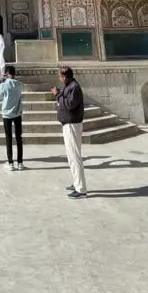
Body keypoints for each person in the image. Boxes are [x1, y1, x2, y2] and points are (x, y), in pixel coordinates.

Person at [52, 66, 87, 198]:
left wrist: (57, 95)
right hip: (68, 124)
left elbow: (70, 104)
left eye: (60, 76)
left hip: (73, 125)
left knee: (75, 157)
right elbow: (66, 98)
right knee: (71, 157)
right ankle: (76, 182)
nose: (59, 79)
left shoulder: (74, 87)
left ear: (65, 76)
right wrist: (60, 93)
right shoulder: (69, 87)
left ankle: (81, 189)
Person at [0, 64, 24, 171]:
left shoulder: (3, 85)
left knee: (8, 138)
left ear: (7, 74)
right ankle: (20, 162)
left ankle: (10, 162)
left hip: (7, 114)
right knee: (19, 138)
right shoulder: (20, 84)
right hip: (17, 112)